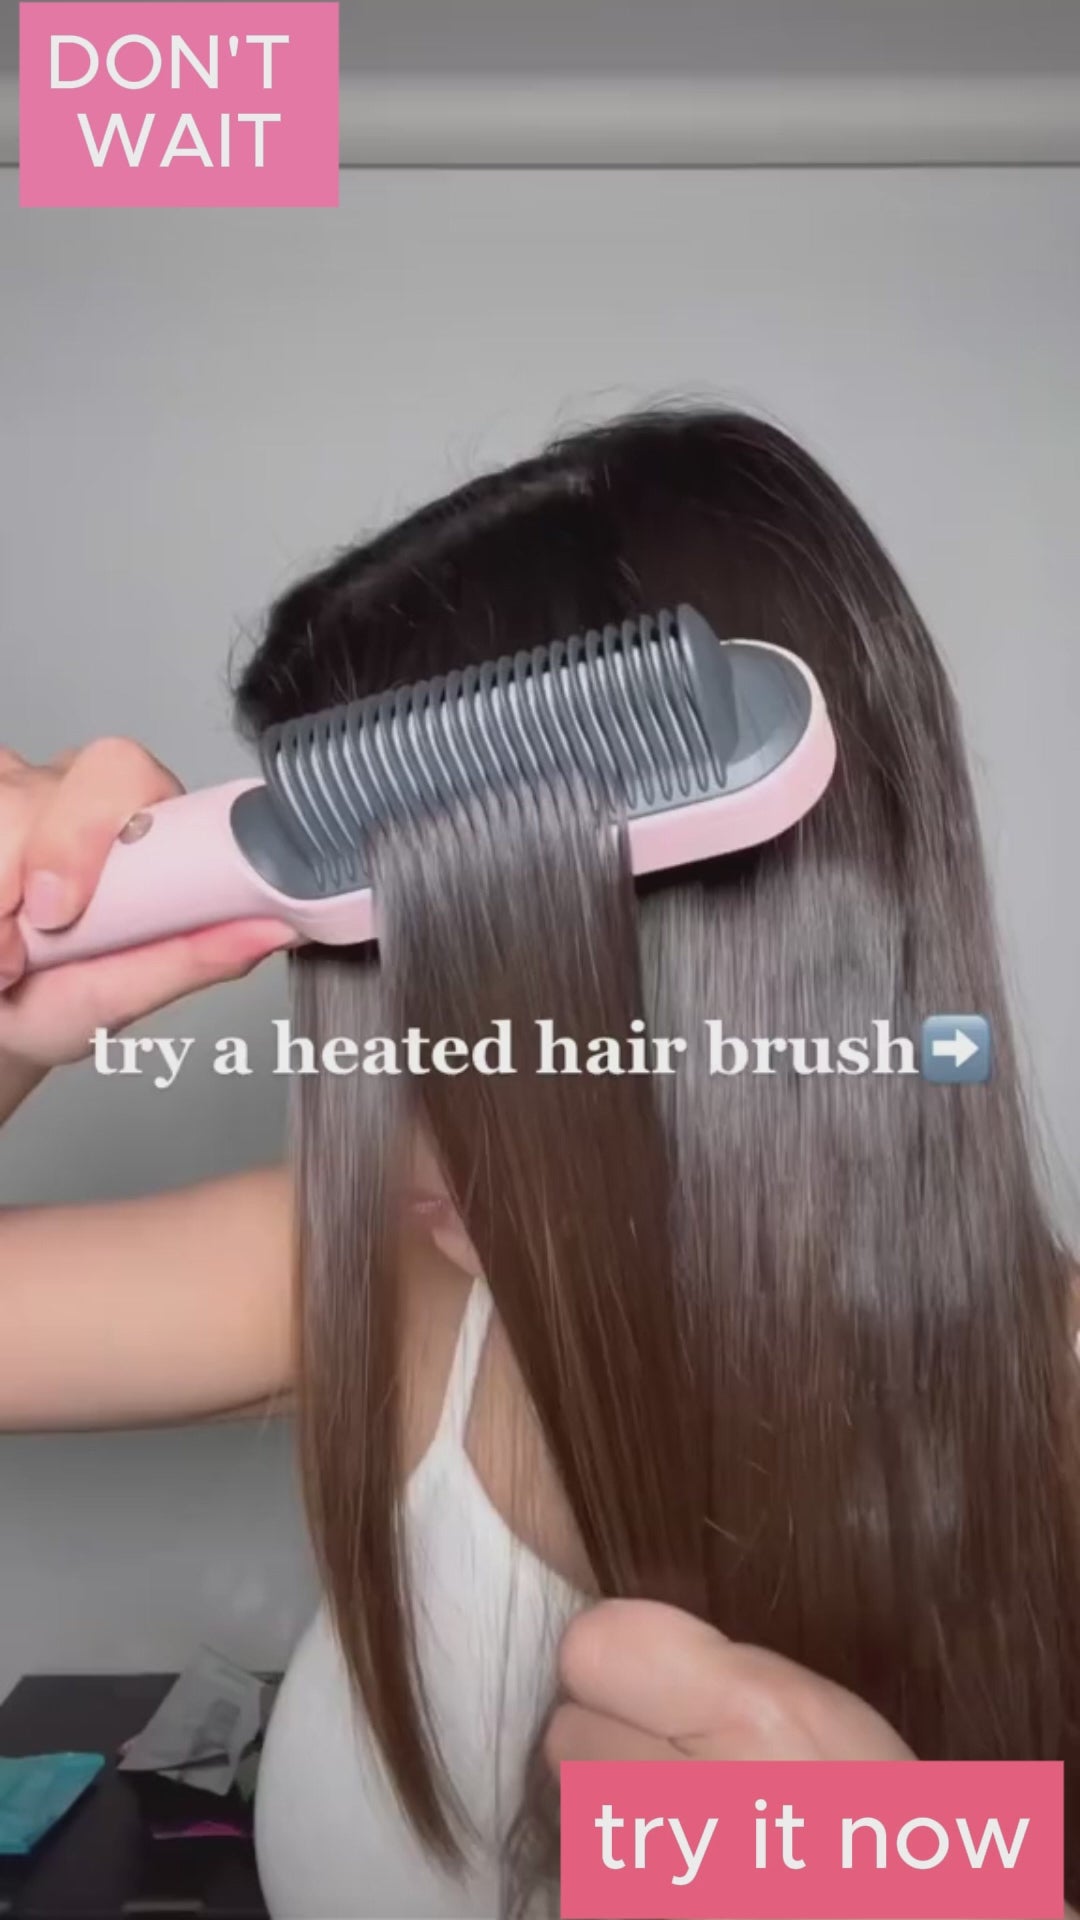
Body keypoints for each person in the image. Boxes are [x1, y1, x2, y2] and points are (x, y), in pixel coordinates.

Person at [1, 407, 1077, 1920]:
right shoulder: (381, 1280)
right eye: (367, 977)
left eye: (483, 991)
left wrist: (938, 1882)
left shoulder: (1054, 1409)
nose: (387, 1104)